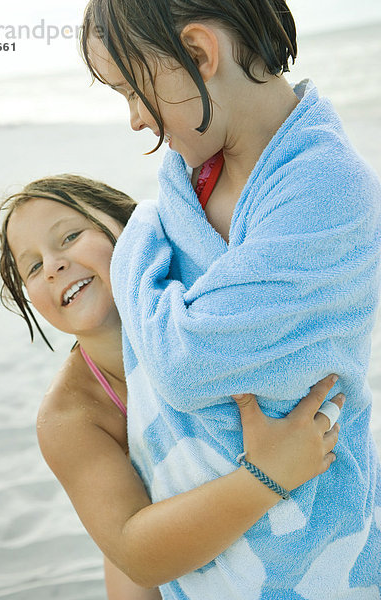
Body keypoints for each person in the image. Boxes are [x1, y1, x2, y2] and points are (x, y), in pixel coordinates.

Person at [80, 0, 381, 597]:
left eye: (133, 91)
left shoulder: (328, 187)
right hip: (212, 548)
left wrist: (133, 243)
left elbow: (186, 365)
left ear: (198, 53)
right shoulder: (195, 178)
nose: (136, 119)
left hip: (313, 550)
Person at [0, 174, 343, 599]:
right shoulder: (73, 414)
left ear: (130, 229)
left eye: (69, 237)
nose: (52, 266)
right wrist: (267, 476)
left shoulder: (202, 301)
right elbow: (134, 553)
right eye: (32, 266)